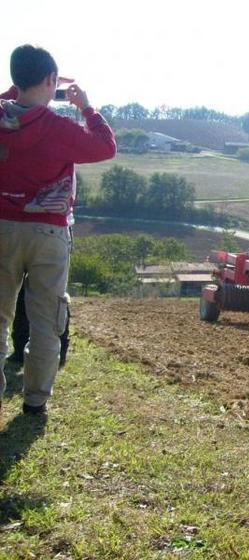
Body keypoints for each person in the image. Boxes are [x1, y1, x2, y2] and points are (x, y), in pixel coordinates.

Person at [0, 45, 116, 415]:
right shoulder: (60, 128)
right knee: (46, 322)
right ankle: (35, 400)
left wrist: (18, 89)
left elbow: (11, 100)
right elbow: (106, 147)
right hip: (48, 234)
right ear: (51, 80)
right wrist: (85, 107)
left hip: (2, 228)